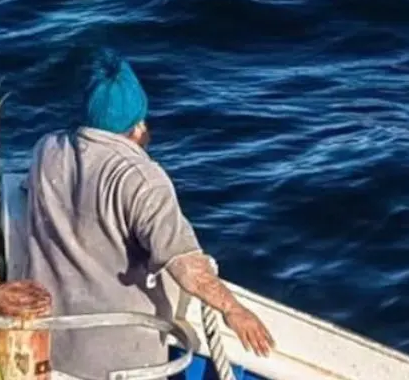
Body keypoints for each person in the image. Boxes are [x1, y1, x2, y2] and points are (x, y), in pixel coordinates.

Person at [24, 48, 275, 380]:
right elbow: (186, 269)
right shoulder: (141, 180)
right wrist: (233, 309)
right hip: (124, 364)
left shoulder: (47, 149)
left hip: (53, 350)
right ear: (138, 124)